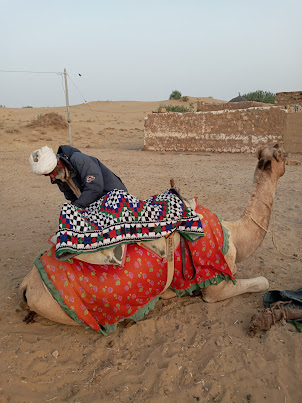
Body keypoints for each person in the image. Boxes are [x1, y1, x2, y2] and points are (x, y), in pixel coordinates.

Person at [29, 145, 127, 208]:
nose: (51, 176)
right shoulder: (59, 176)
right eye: (47, 175)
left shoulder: (79, 160)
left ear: (58, 163)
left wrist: (75, 207)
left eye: (51, 172)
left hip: (116, 201)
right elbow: (71, 197)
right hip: (94, 205)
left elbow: (94, 188)